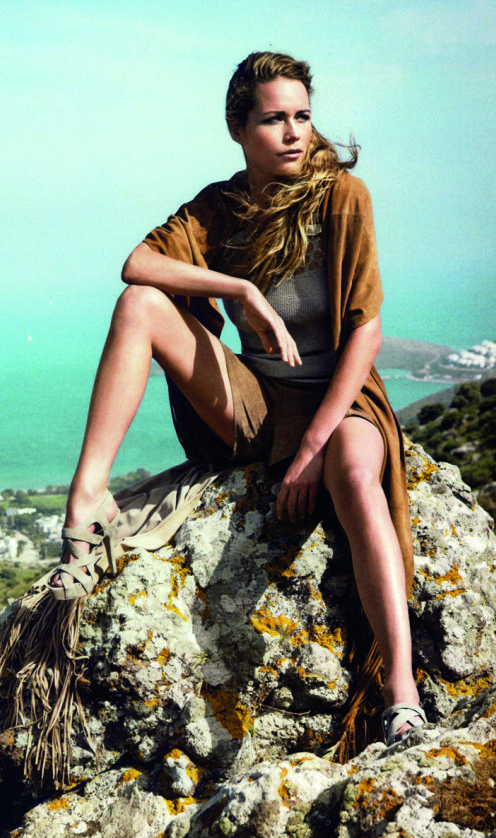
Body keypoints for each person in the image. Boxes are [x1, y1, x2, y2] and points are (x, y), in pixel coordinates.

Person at [45, 51, 426, 748]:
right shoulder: (222, 206)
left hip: (340, 398)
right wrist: (240, 289)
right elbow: (137, 265)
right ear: (237, 128)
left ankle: (401, 694)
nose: (294, 132)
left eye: (302, 116)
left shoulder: (343, 196)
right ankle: (87, 498)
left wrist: (311, 449)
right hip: (255, 397)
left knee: (352, 474)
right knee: (139, 306)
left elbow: (365, 331)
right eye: (274, 119)